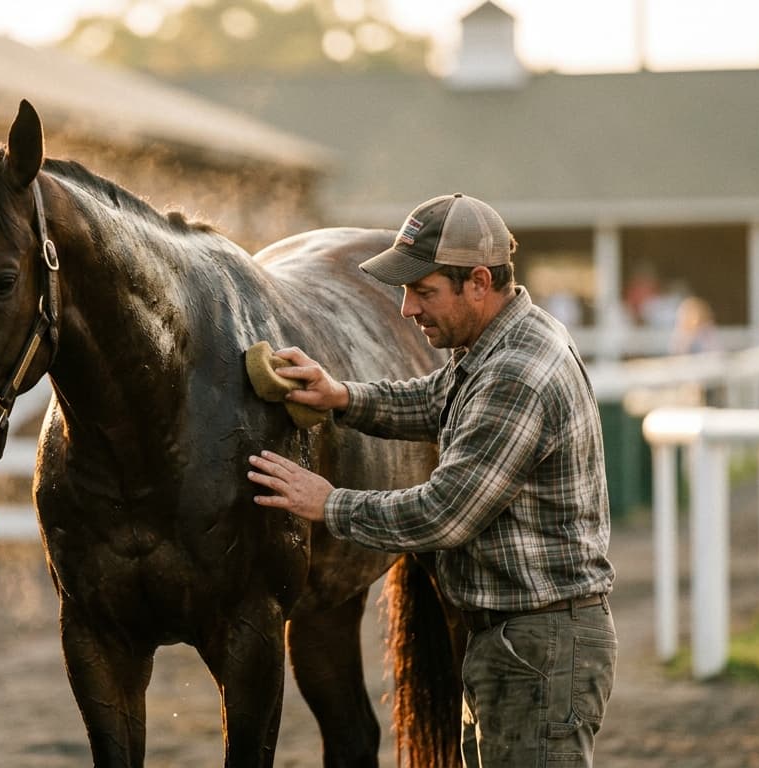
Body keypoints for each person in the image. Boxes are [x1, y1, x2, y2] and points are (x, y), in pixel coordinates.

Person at [246, 193, 617, 766]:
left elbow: (443, 514)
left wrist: (328, 502)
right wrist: (341, 396)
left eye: (424, 291)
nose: (406, 309)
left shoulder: (516, 374)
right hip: (516, 640)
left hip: (537, 647)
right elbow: (432, 400)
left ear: (478, 282)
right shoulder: (496, 345)